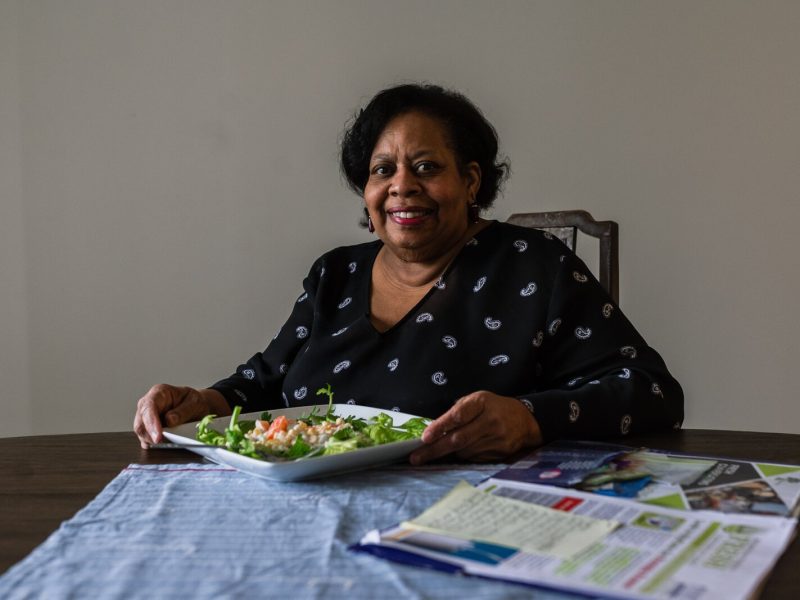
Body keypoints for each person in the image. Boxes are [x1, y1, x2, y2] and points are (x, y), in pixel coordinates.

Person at [134, 83, 683, 463]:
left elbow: (653, 392)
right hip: (312, 520)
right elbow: (266, 385)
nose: (402, 185)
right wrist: (201, 402)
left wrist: (528, 417)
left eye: (426, 167)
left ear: (471, 182)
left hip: (471, 522)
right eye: (382, 170)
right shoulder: (335, 274)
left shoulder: (533, 265)